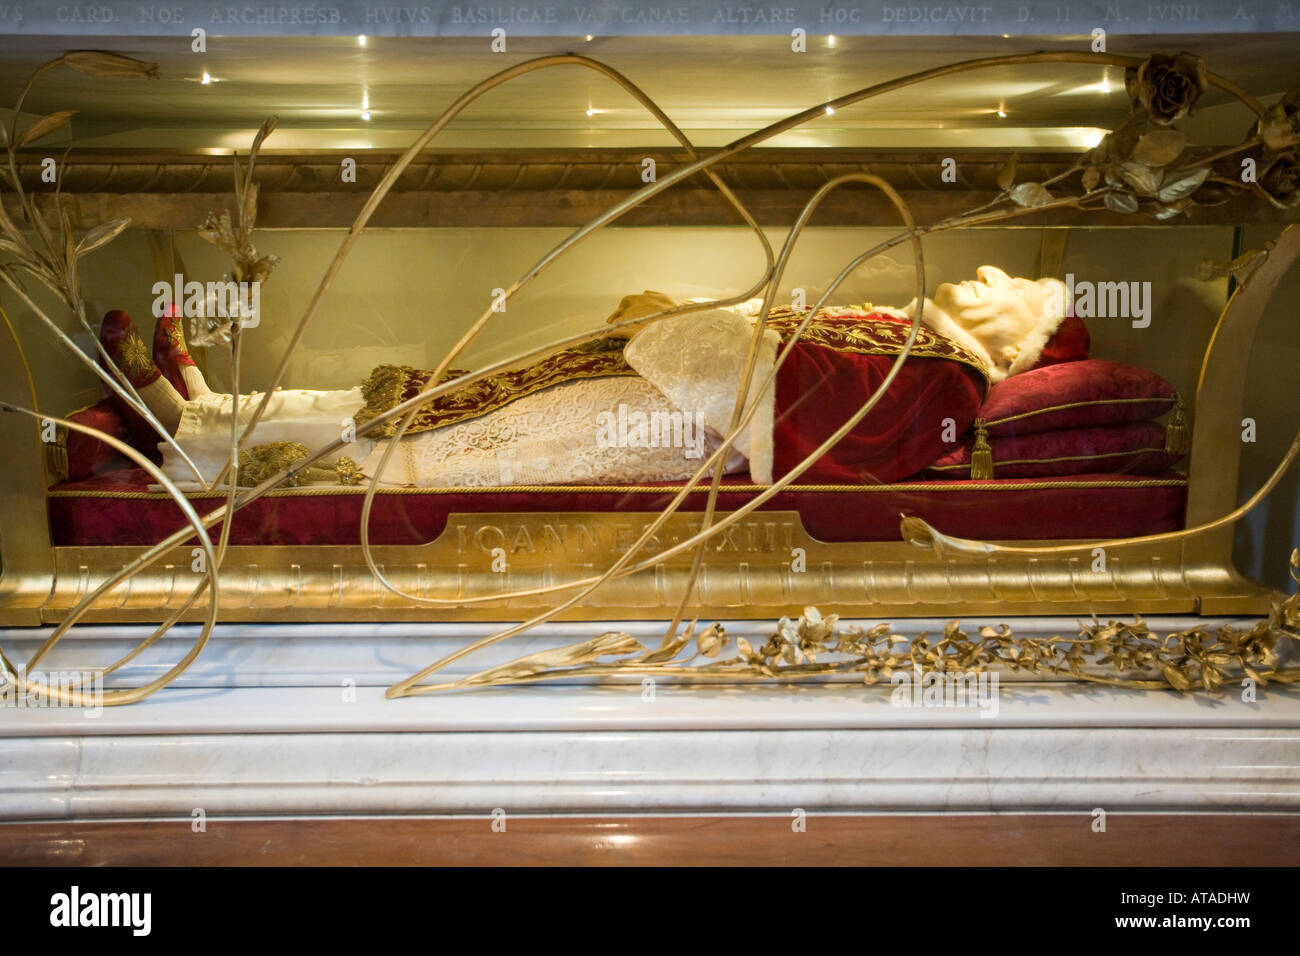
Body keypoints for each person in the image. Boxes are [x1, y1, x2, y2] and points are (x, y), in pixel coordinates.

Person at [96, 267, 1073, 489]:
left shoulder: (943, 378)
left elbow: (806, 416)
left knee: (418, 441)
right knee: (428, 396)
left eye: (1014, 285)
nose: (988, 275)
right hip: (639, 382)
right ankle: (203, 403)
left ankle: (196, 442)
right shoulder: (909, 330)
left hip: (649, 419)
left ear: (1017, 339)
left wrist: (693, 326)